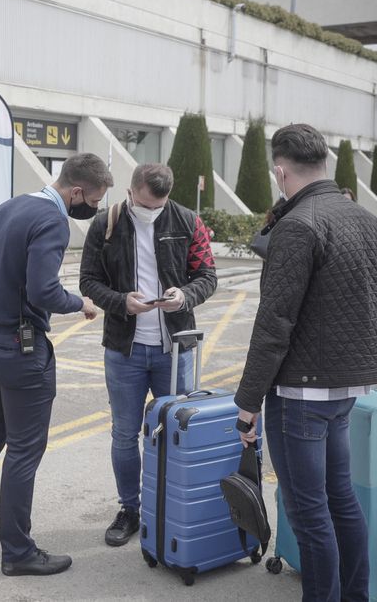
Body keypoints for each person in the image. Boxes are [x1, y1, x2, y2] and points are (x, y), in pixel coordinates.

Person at [235, 124, 377, 602]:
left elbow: (274, 324)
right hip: (346, 387)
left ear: (281, 171)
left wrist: (247, 402)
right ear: (325, 163)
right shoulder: (365, 218)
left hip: (301, 392)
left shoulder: (298, 226)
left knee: (307, 511)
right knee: (340, 500)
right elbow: (374, 303)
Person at [0, 153, 110, 577]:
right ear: (76, 191)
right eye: (94, 200)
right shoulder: (52, 221)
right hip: (19, 348)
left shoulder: (7, 207)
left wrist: (5, 288)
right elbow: (45, 291)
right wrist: (80, 302)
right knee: (24, 450)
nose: (93, 209)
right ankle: (19, 552)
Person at [78, 164, 217, 547]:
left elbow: (207, 275)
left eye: (157, 207)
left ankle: (173, 506)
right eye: (142, 205)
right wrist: (121, 302)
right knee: (125, 434)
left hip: (175, 349)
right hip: (125, 349)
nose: (149, 211)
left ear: (167, 196)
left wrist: (184, 297)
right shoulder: (106, 222)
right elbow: (88, 281)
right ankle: (131, 509)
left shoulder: (189, 221)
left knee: (176, 431)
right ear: (131, 190)